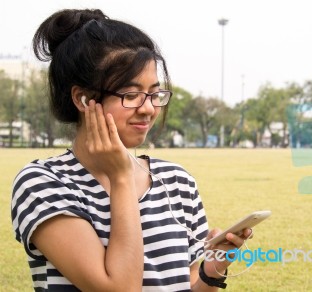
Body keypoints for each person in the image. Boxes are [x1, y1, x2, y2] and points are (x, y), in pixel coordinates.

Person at [11, 9, 252, 291]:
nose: (149, 108)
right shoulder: (43, 183)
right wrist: (122, 177)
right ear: (83, 98)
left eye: (153, 93)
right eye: (131, 95)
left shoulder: (177, 180)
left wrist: (211, 272)